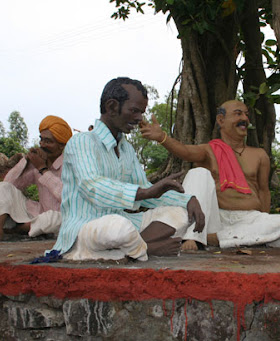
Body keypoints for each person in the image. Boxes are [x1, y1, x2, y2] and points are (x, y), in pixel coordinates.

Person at [50, 77, 205, 261]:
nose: (139, 118)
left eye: (142, 112)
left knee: (179, 214)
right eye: (134, 111)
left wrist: (188, 200)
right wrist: (145, 192)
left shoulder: (126, 149)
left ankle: (134, 248)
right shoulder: (82, 141)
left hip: (122, 224)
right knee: (119, 227)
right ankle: (143, 248)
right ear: (112, 106)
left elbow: (146, 189)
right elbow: (92, 186)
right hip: (86, 228)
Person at [140, 99, 280, 251]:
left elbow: (263, 191)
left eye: (246, 115)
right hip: (215, 218)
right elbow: (185, 151)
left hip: (249, 218)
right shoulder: (210, 150)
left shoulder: (260, 155)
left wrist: (263, 221)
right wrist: (162, 137)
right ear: (221, 120)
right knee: (198, 173)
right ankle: (194, 235)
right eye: (238, 114)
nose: (244, 119)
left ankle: (216, 239)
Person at [0, 115, 72, 241]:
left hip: (60, 217)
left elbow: (66, 197)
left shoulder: (70, 165)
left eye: (48, 141)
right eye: (41, 140)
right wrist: (26, 161)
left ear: (61, 146)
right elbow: (9, 184)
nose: (43, 145)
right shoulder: (37, 165)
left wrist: (43, 170)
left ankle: (19, 230)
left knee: (53, 220)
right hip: (37, 214)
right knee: (2, 187)